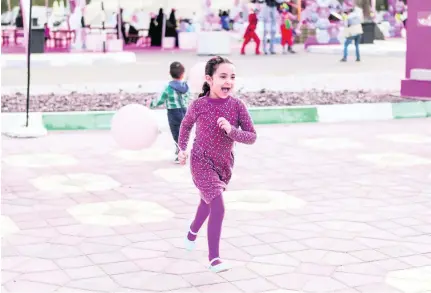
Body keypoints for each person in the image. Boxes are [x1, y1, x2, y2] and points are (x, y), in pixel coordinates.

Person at [177, 56, 257, 273]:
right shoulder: (199, 105)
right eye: (222, 76)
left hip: (223, 165)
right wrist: (182, 149)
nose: (228, 81)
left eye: (232, 77)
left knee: (207, 202)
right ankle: (214, 258)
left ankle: (192, 231)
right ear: (209, 79)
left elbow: (251, 137)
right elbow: (185, 127)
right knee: (218, 207)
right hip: (200, 161)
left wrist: (231, 130)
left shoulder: (237, 106)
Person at [149, 62, 190, 163]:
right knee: (183, 132)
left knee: (176, 134)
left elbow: (160, 100)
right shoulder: (186, 87)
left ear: (169, 73)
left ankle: (180, 153)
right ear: (183, 74)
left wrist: (151, 104)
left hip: (173, 113)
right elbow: (189, 98)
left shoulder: (168, 88)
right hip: (184, 111)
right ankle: (182, 151)